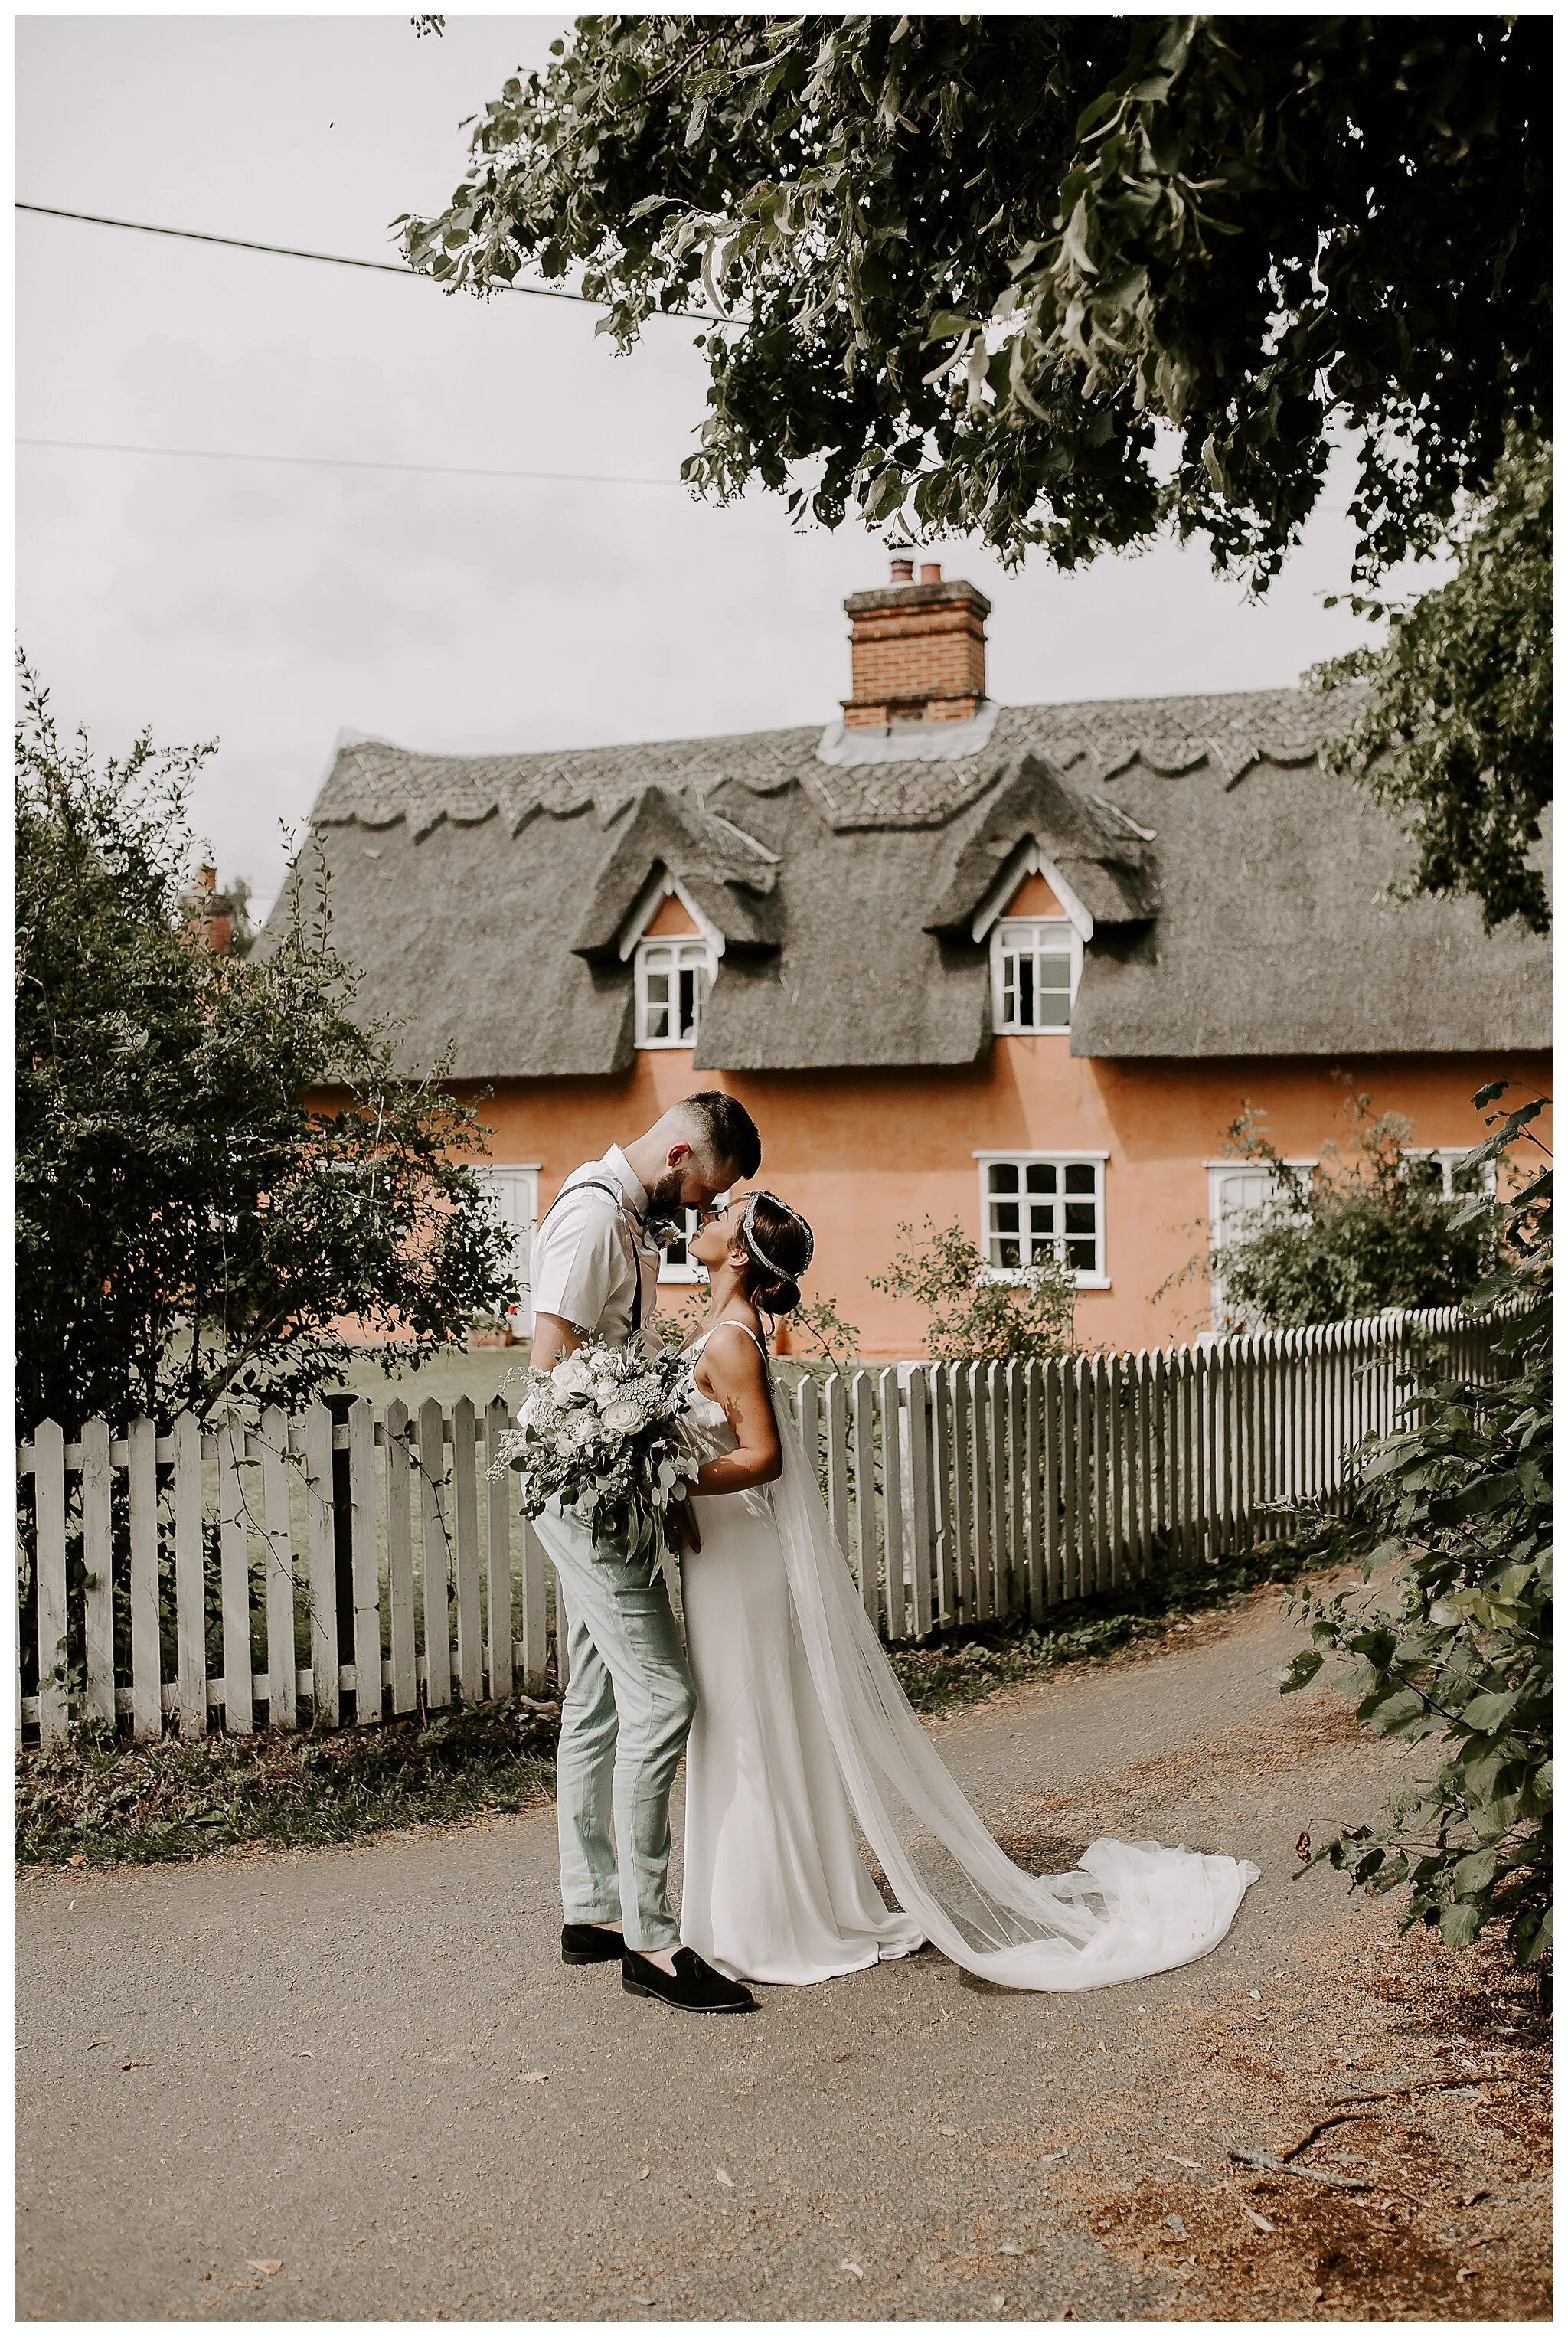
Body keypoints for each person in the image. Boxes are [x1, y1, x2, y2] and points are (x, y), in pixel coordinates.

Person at [672, 1189, 1263, 1992]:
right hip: (724, 1557)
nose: (702, 1216)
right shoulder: (721, 1326)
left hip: (739, 1560)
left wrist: (672, 1481)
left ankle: (765, 1920)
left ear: (739, 1253)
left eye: (718, 1215)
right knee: (744, 1725)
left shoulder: (733, 1339)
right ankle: (763, 1905)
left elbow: (763, 1456)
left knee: (748, 1727)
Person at [528, 1092, 762, 2016]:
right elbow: (552, 1378)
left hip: (611, 1485)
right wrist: (635, 1468)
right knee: (662, 1697)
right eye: (708, 1187)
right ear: (676, 1153)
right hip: (586, 1490)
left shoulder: (631, 1220)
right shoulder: (591, 1220)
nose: (707, 1208)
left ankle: (591, 1912)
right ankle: (652, 1945)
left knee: (595, 1698)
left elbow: (615, 1360)